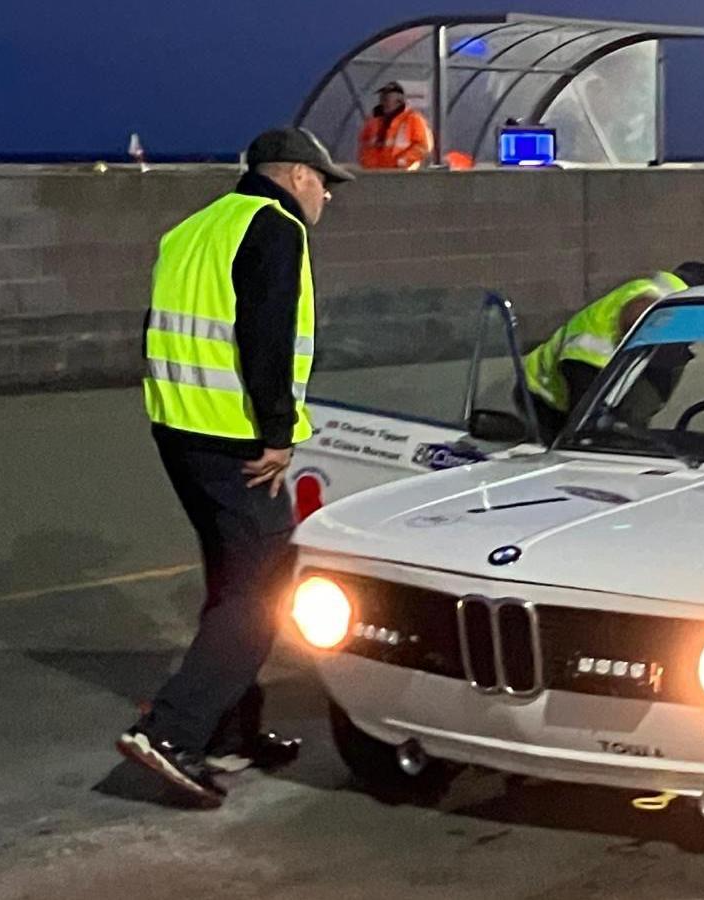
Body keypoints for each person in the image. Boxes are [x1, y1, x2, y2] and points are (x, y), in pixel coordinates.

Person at [121, 128, 352, 806]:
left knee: (230, 581)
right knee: (261, 590)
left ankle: (233, 732)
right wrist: (277, 434)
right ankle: (171, 733)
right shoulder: (275, 225)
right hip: (239, 440)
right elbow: (267, 336)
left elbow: (158, 332)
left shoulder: (193, 229)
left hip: (180, 429)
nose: (329, 194)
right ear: (292, 175)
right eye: (324, 179)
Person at [523, 263, 704, 436]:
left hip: (591, 373)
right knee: (585, 441)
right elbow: (638, 313)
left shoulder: (663, 294)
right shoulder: (664, 301)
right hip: (551, 389)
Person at [357, 82, 433, 170]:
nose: (382, 102)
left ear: (399, 102)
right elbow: (364, 145)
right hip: (375, 174)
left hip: (402, 175)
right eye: (382, 99)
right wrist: (367, 164)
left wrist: (402, 161)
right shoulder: (373, 122)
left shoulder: (413, 119)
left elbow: (422, 147)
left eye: (386, 99)